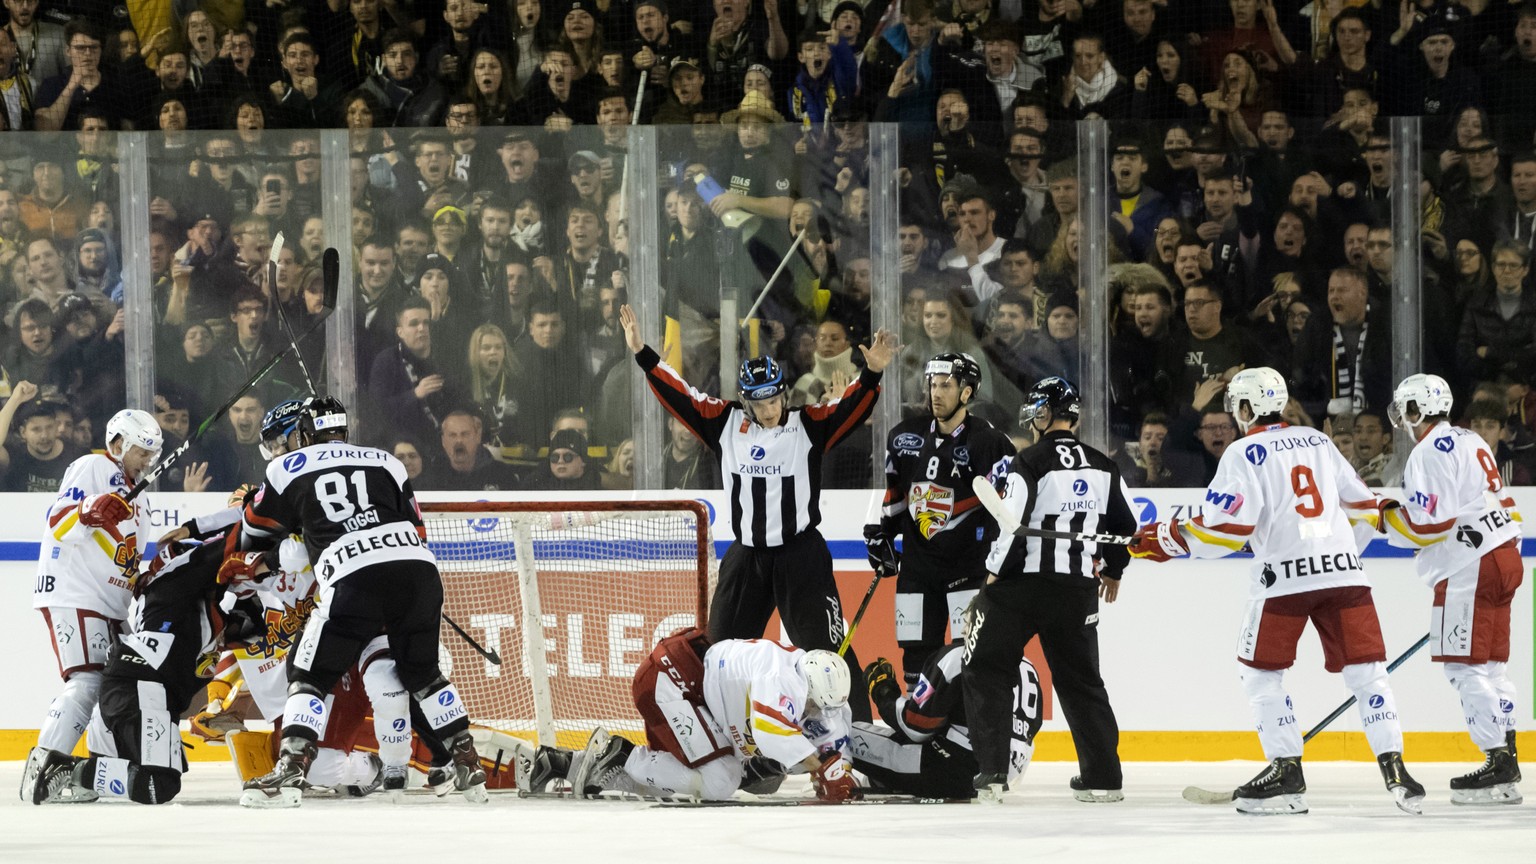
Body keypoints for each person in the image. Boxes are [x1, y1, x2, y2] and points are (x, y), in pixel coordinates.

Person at [1130, 367, 1426, 816]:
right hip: (1345, 576)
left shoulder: (1243, 452)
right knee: (1369, 676)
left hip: (1284, 579)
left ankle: (1287, 773)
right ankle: (1397, 771)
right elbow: (1366, 504)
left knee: (1261, 676)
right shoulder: (1320, 441)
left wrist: (1167, 539)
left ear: (1246, 409)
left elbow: (1227, 530)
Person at [620, 303, 895, 723]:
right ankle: (721, 738)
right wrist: (643, 353)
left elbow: (850, 410)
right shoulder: (724, 422)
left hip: (801, 557)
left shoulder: (808, 424)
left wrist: (872, 375)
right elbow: (681, 395)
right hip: (746, 557)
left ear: (784, 393)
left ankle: (858, 737)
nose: (769, 410)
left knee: (829, 652)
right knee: (719, 653)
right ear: (745, 401)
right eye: (759, 402)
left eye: (774, 400)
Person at [232, 396, 488, 808]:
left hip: (353, 575)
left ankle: (291, 769)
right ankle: (466, 761)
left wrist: (285, 526)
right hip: (418, 570)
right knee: (423, 675)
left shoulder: (285, 466)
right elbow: (417, 528)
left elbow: (253, 531)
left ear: (303, 434)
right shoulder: (387, 460)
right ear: (344, 429)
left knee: (308, 674)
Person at [964, 377, 1135, 804]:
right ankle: (1103, 778)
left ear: (1044, 413)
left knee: (986, 667)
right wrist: (1113, 570)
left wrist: (991, 578)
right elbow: (1127, 526)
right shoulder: (1103, 464)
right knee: (1082, 682)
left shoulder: (1030, 461)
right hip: (1077, 591)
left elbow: (1011, 526)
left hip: (1021, 589)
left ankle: (993, 774)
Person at [1382, 374, 1524, 805]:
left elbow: (1431, 524)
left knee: (1464, 668)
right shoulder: (1472, 439)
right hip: (1504, 556)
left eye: (1406, 409)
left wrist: (1385, 515)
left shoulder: (1426, 454)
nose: (1403, 419)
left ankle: (1498, 760)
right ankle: (1507, 762)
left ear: (1417, 411)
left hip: (1470, 567)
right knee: (1493, 668)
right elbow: (1502, 501)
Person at [530, 632, 859, 803]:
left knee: (748, 779)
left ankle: (572, 764)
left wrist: (829, 765)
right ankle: (623, 757)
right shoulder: (782, 676)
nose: (813, 712)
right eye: (814, 704)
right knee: (719, 782)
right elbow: (771, 732)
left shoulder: (800, 673)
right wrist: (823, 770)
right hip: (671, 681)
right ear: (809, 687)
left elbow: (821, 733)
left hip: (691, 689)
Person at [22, 409, 162, 803]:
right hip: (75, 593)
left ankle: (95, 767)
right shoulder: (93, 467)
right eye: (139, 451)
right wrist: (88, 511)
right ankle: (44, 768)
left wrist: (141, 580)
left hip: (111, 605)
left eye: (151, 453)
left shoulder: (143, 497)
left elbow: (123, 555)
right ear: (117, 444)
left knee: (122, 684)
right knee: (86, 681)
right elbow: (58, 522)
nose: (146, 460)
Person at [867, 352, 1014, 687]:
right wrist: (882, 535)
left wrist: (999, 560)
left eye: (946, 385)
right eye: (933, 384)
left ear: (966, 392)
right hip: (918, 573)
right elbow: (895, 494)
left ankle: (962, 733)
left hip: (968, 570)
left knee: (969, 656)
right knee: (915, 661)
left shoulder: (988, 442)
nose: (936, 392)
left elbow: (1007, 508)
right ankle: (919, 733)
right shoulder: (904, 436)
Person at [855, 634, 1041, 799]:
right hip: (1008, 776)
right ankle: (880, 780)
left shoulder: (959, 655)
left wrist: (883, 691)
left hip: (954, 773)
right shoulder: (1027, 665)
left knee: (847, 734)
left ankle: (836, 773)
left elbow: (916, 726)